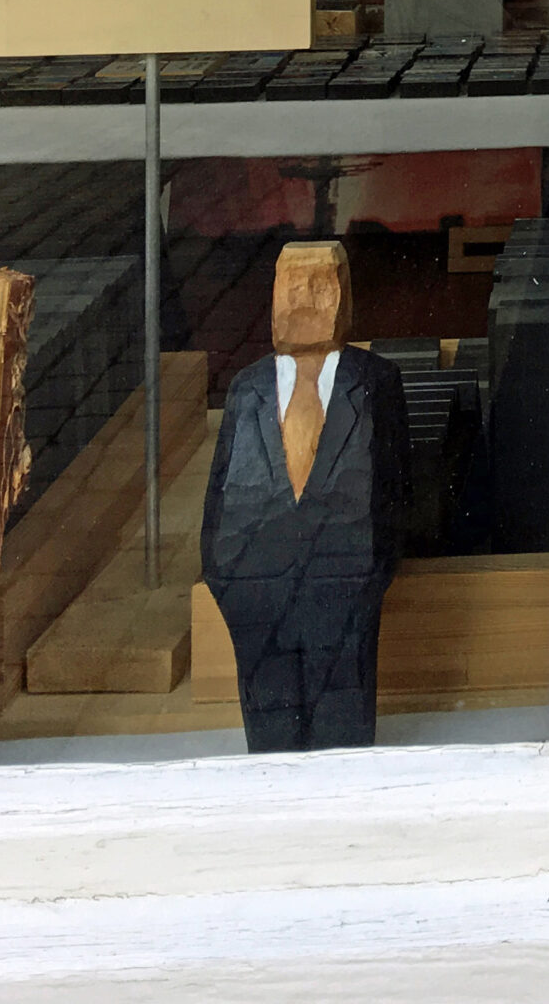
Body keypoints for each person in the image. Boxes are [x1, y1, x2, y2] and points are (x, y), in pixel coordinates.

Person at [201, 241, 411, 753]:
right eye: (291, 286)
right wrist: (226, 576)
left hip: (346, 585)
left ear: (346, 297)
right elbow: (222, 490)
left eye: (320, 286)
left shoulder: (375, 382)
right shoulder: (247, 389)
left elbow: (398, 487)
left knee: (342, 724)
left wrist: (371, 572)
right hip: (255, 591)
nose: (304, 301)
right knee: (270, 734)